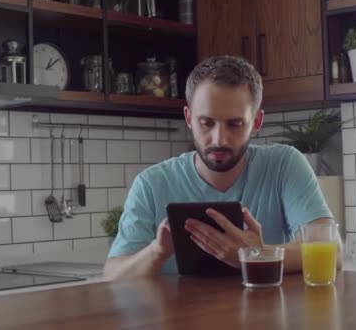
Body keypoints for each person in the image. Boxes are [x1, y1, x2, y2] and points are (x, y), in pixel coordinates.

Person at [103, 56, 341, 280]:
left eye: (235, 124)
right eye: (206, 123)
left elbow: (334, 252)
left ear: (256, 122)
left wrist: (257, 253)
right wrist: (158, 251)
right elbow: (112, 275)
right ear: (188, 118)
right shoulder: (151, 184)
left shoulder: (284, 165)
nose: (219, 139)